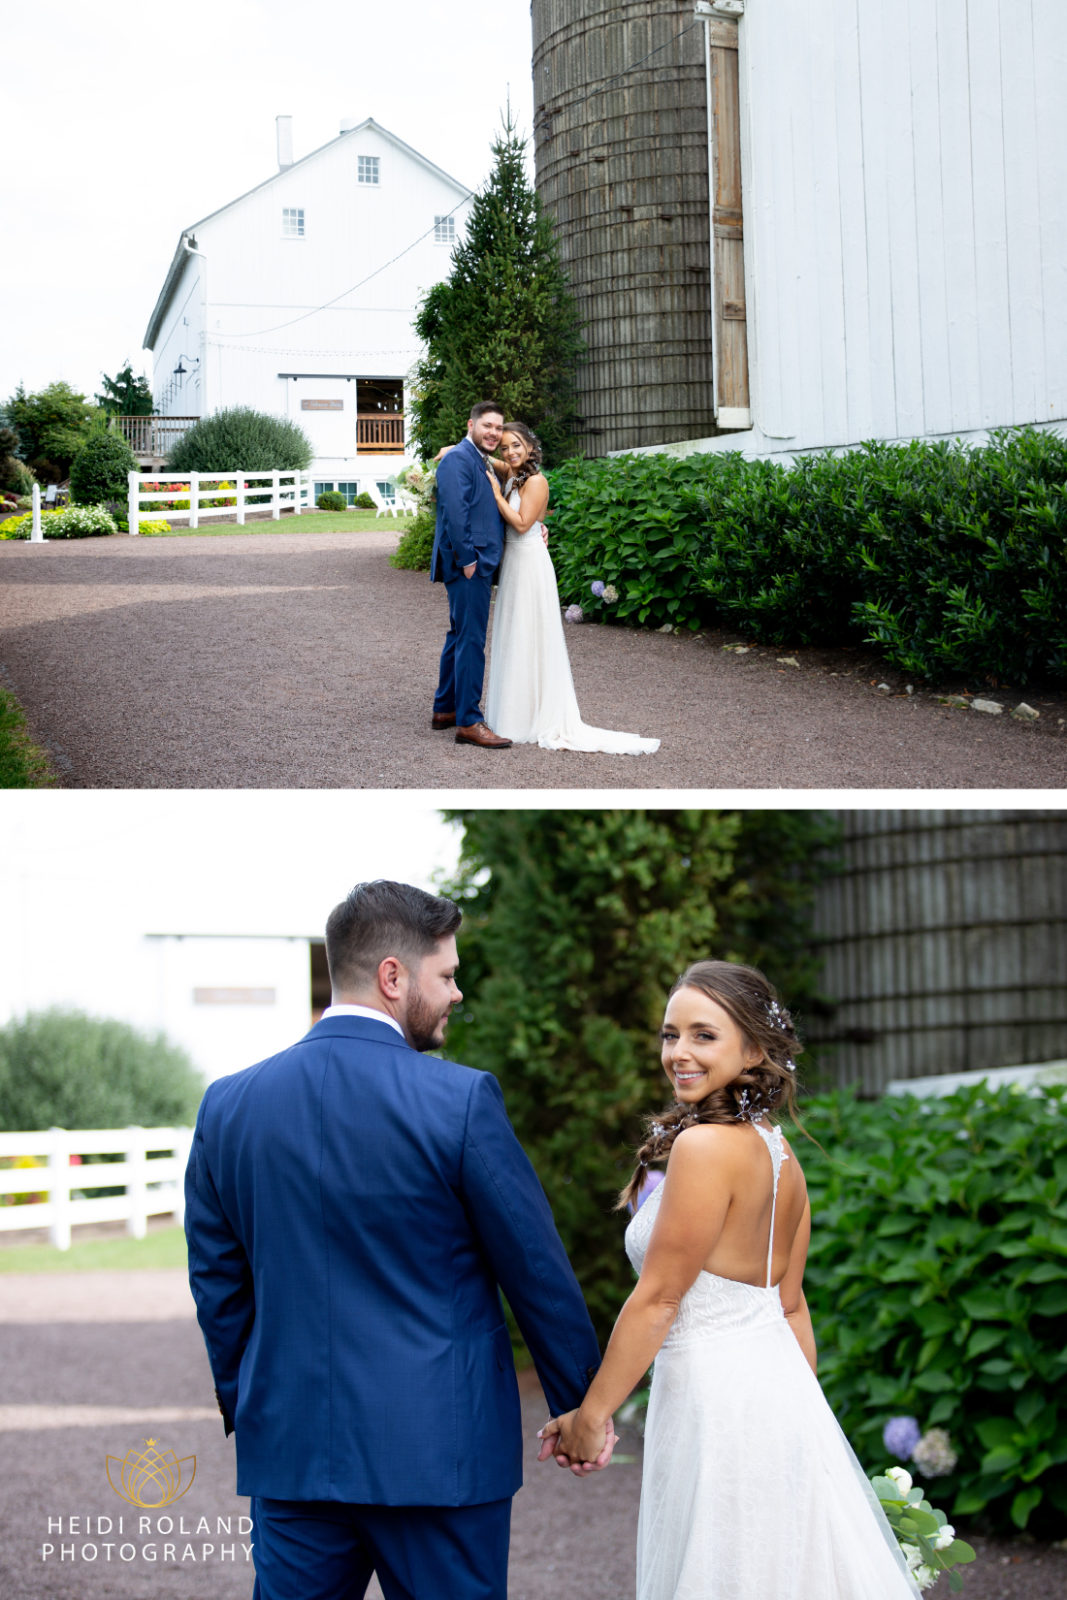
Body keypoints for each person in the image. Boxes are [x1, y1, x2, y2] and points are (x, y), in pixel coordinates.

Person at [185, 879, 611, 1600]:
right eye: (445, 973)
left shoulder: (228, 1105)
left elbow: (218, 1283)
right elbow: (534, 1269)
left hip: (291, 1453)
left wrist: (251, 1401)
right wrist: (581, 1407)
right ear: (392, 975)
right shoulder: (459, 1100)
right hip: (437, 1457)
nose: (457, 992)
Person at [538, 960, 922, 1599]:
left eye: (702, 1035)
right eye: (669, 1034)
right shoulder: (781, 1155)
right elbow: (791, 1309)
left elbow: (659, 1297)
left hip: (716, 1409)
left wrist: (593, 1415)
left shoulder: (705, 1148)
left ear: (754, 1049)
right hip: (778, 1400)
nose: (678, 1053)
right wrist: (804, 1430)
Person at [483, 422, 659, 754]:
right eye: (505, 447)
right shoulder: (514, 473)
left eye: (516, 445)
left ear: (531, 447)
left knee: (533, 635)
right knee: (516, 635)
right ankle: (516, 711)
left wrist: (495, 495)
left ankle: (536, 716)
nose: (509, 452)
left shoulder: (536, 481)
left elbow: (521, 525)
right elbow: (486, 459)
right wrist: (460, 448)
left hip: (531, 564)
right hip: (515, 567)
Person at [429, 402, 513, 748]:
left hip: (475, 560)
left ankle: (446, 708)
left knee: (459, 634)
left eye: (498, 428)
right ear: (471, 424)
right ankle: (469, 720)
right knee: (471, 640)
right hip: (470, 563)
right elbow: (453, 510)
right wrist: (467, 559)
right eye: (488, 425)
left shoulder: (475, 458)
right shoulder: (457, 460)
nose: (493, 432)